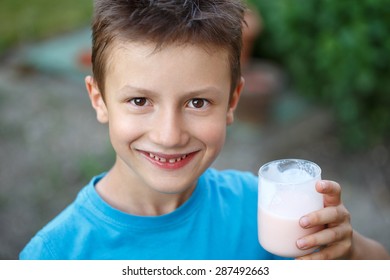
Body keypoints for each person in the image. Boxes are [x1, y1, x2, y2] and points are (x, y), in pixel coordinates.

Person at [19, 0, 389, 260]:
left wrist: (348, 251)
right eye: (139, 101)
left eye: (197, 103)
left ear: (231, 102)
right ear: (98, 100)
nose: (168, 135)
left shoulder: (259, 206)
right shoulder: (56, 256)